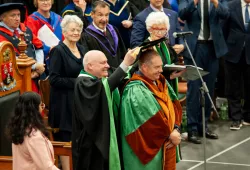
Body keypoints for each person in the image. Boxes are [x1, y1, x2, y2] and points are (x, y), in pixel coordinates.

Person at [72, 48, 136, 170]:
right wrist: (125, 64)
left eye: (107, 62)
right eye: (103, 63)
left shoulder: (97, 80)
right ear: (90, 66)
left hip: (100, 140)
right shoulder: (83, 82)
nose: (107, 66)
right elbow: (104, 88)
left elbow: (114, 82)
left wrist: (134, 63)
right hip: (90, 144)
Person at [120, 49, 182, 170]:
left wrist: (175, 127)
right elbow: (150, 122)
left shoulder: (159, 81)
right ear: (144, 67)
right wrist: (170, 134)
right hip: (147, 148)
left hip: (164, 141)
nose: (161, 70)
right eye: (157, 67)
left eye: (161, 66)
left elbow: (173, 105)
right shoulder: (136, 90)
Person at [178, 0, 229, 144]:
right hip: (195, 49)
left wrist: (216, 2)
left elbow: (226, 14)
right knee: (194, 89)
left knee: (209, 88)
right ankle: (192, 128)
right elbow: (182, 14)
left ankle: (204, 125)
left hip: (213, 49)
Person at [49, 15, 87, 170]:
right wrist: (77, 82)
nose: (76, 32)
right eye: (72, 29)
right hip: (64, 104)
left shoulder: (83, 49)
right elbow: (54, 79)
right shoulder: (58, 51)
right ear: (64, 31)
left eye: (78, 29)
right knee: (67, 141)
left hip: (81, 101)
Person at [6, 91, 59, 170]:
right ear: (34, 109)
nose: (42, 109)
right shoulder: (34, 136)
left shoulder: (19, 128)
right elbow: (46, 167)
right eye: (41, 105)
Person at [0, 3, 45, 92]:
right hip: (16, 79)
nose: (17, 18)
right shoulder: (1, 34)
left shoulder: (26, 29)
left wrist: (39, 66)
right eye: (13, 15)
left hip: (36, 75)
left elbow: (39, 46)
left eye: (18, 15)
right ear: (2, 18)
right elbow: (7, 57)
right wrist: (34, 66)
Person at [223, 0, 250, 130]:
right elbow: (223, 29)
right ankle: (236, 118)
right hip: (233, 52)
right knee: (233, 87)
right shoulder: (230, 6)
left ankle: (247, 116)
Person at [145, 11, 185, 94]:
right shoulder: (146, 47)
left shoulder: (166, 44)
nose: (160, 33)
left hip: (169, 84)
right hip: (153, 90)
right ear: (149, 29)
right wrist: (169, 76)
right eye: (156, 29)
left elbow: (175, 60)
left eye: (163, 29)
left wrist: (177, 70)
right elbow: (146, 73)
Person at [79, 0, 127, 71]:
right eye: (100, 15)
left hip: (120, 74)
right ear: (92, 15)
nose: (104, 19)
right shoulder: (86, 36)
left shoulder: (114, 30)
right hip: (101, 77)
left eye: (107, 15)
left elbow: (123, 53)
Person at [25, 0, 63, 70]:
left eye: (48, 0)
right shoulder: (32, 20)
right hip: (43, 60)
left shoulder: (59, 18)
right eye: (42, 0)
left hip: (61, 57)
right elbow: (32, 40)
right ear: (36, 2)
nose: (45, 3)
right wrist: (48, 49)